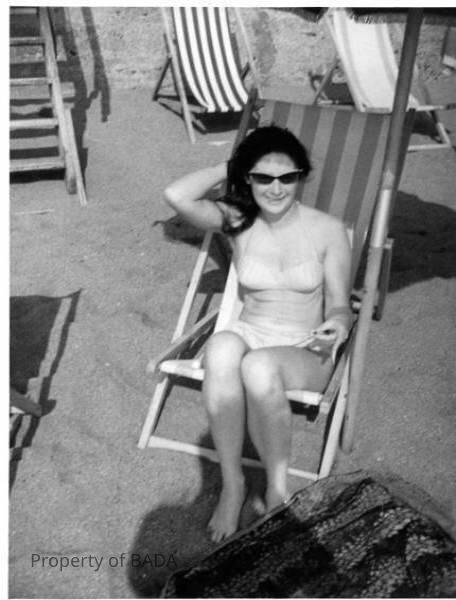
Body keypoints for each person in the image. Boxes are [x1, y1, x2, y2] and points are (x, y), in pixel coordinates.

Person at [164, 125, 352, 542]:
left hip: (304, 348)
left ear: (302, 176)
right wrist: (230, 165)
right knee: (221, 348)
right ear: (248, 178)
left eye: (287, 177)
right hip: (251, 331)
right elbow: (176, 195)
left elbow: (341, 305)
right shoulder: (238, 220)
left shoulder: (328, 230)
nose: (276, 188)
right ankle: (233, 484)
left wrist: (338, 324)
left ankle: (276, 489)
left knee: (259, 366)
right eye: (263, 177)